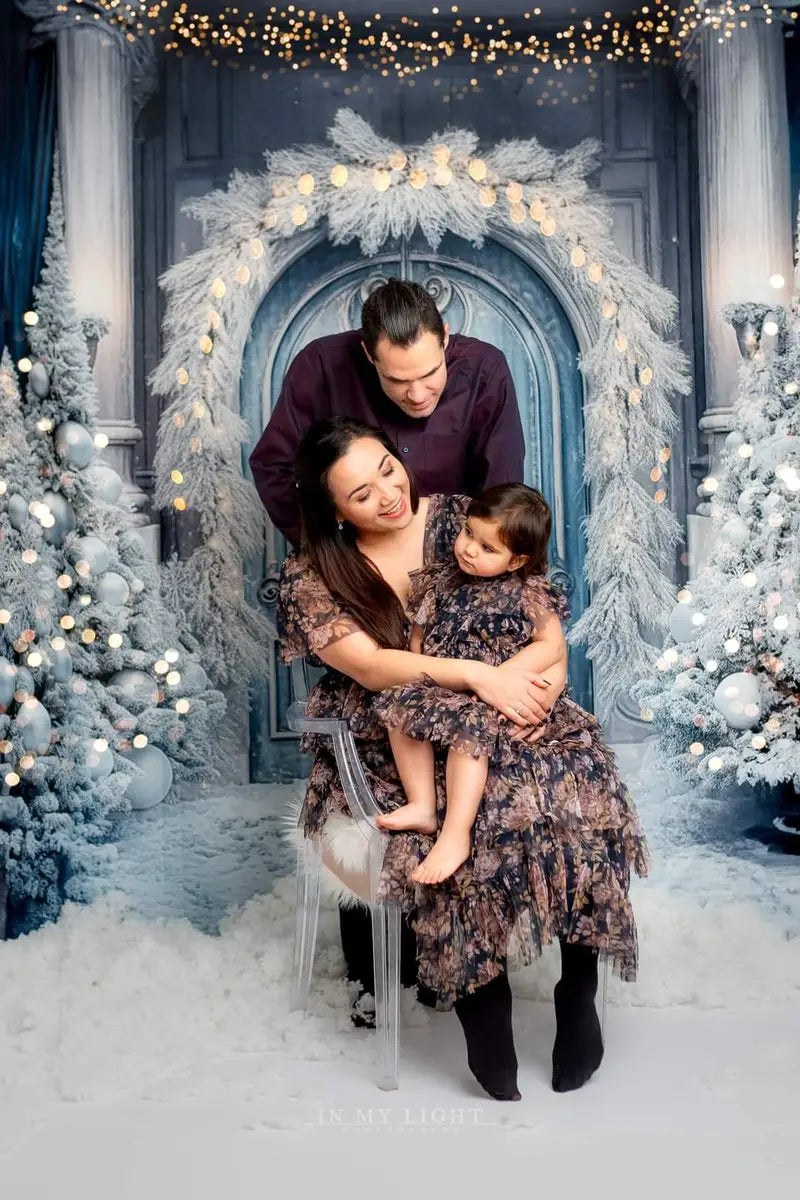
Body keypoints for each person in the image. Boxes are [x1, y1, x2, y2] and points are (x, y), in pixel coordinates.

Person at [277, 417, 650, 1099]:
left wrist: (538, 693)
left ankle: (580, 987)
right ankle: (486, 1005)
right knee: (467, 820)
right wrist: (481, 678)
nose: (389, 494)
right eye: (362, 493)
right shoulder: (313, 574)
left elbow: (545, 629)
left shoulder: (460, 519)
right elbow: (373, 666)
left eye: (389, 468)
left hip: (505, 707)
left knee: (573, 789)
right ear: (333, 510)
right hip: (392, 733)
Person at [373, 483, 566, 887]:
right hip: (447, 683)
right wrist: (424, 678)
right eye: (468, 534)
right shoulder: (438, 582)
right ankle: (422, 802)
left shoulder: (529, 591)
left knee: (469, 732)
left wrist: (505, 677)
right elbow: (417, 644)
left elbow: (551, 645)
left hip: (494, 695)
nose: (469, 549)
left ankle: (455, 834)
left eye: (487, 548)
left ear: (517, 561)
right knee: (398, 707)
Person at [249, 278, 524, 548]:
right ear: (368, 354)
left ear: (446, 338)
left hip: (455, 557)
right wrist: (332, 554)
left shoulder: (486, 369)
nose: (417, 395)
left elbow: (502, 493)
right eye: (397, 380)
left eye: (430, 373)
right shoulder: (320, 366)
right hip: (355, 561)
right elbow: (273, 466)